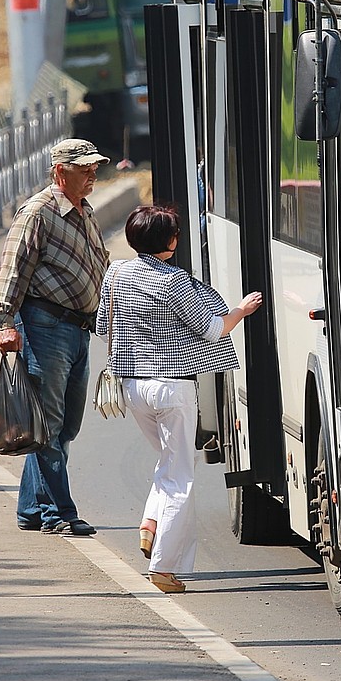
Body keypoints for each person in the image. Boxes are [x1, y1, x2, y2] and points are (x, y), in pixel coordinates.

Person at [96, 204, 263, 593]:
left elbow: (103, 327)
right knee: (181, 477)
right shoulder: (174, 282)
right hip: (173, 388)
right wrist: (242, 309)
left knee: (169, 463)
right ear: (169, 242)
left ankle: (150, 523)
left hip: (133, 387)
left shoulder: (116, 273)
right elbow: (212, 329)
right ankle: (163, 566)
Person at [0, 138, 111, 536]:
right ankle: (59, 512)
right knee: (51, 425)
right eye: (85, 168)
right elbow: (13, 267)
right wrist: (5, 322)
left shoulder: (84, 211)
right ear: (61, 170)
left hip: (77, 327)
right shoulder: (38, 212)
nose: (93, 173)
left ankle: (30, 509)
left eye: (95, 167)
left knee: (62, 425)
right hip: (45, 326)